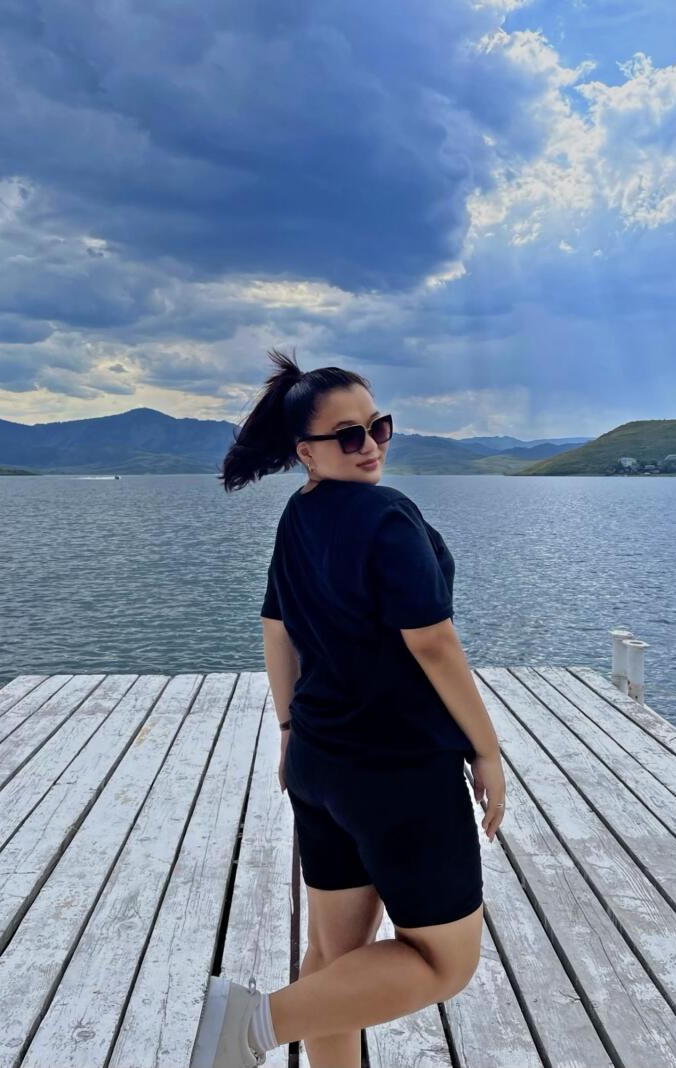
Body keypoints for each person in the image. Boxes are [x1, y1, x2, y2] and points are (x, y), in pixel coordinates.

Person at [190, 348, 506, 1068]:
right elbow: (432, 644)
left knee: (334, 958)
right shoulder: (387, 514)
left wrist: (288, 730)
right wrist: (486, 749)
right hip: (397, 771)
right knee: (445, 963)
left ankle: (260, 1025)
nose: (371, 446)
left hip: (320, 763)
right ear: (306, 451)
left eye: (379, 426)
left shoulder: (299, 515)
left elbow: (276, 628)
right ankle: (249, 1025)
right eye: (348, 436)